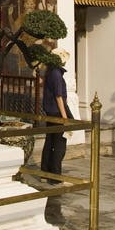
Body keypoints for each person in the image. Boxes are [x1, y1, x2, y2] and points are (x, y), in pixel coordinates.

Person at [40, 49, 73, 182]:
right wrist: (65, 117)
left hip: (50, 110)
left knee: (50, 142)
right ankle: (54, 175)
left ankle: (45, 173)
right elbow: (59, 96)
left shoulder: (50, 72)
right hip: (58, 111)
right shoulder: (56, 74)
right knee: (59, 145)